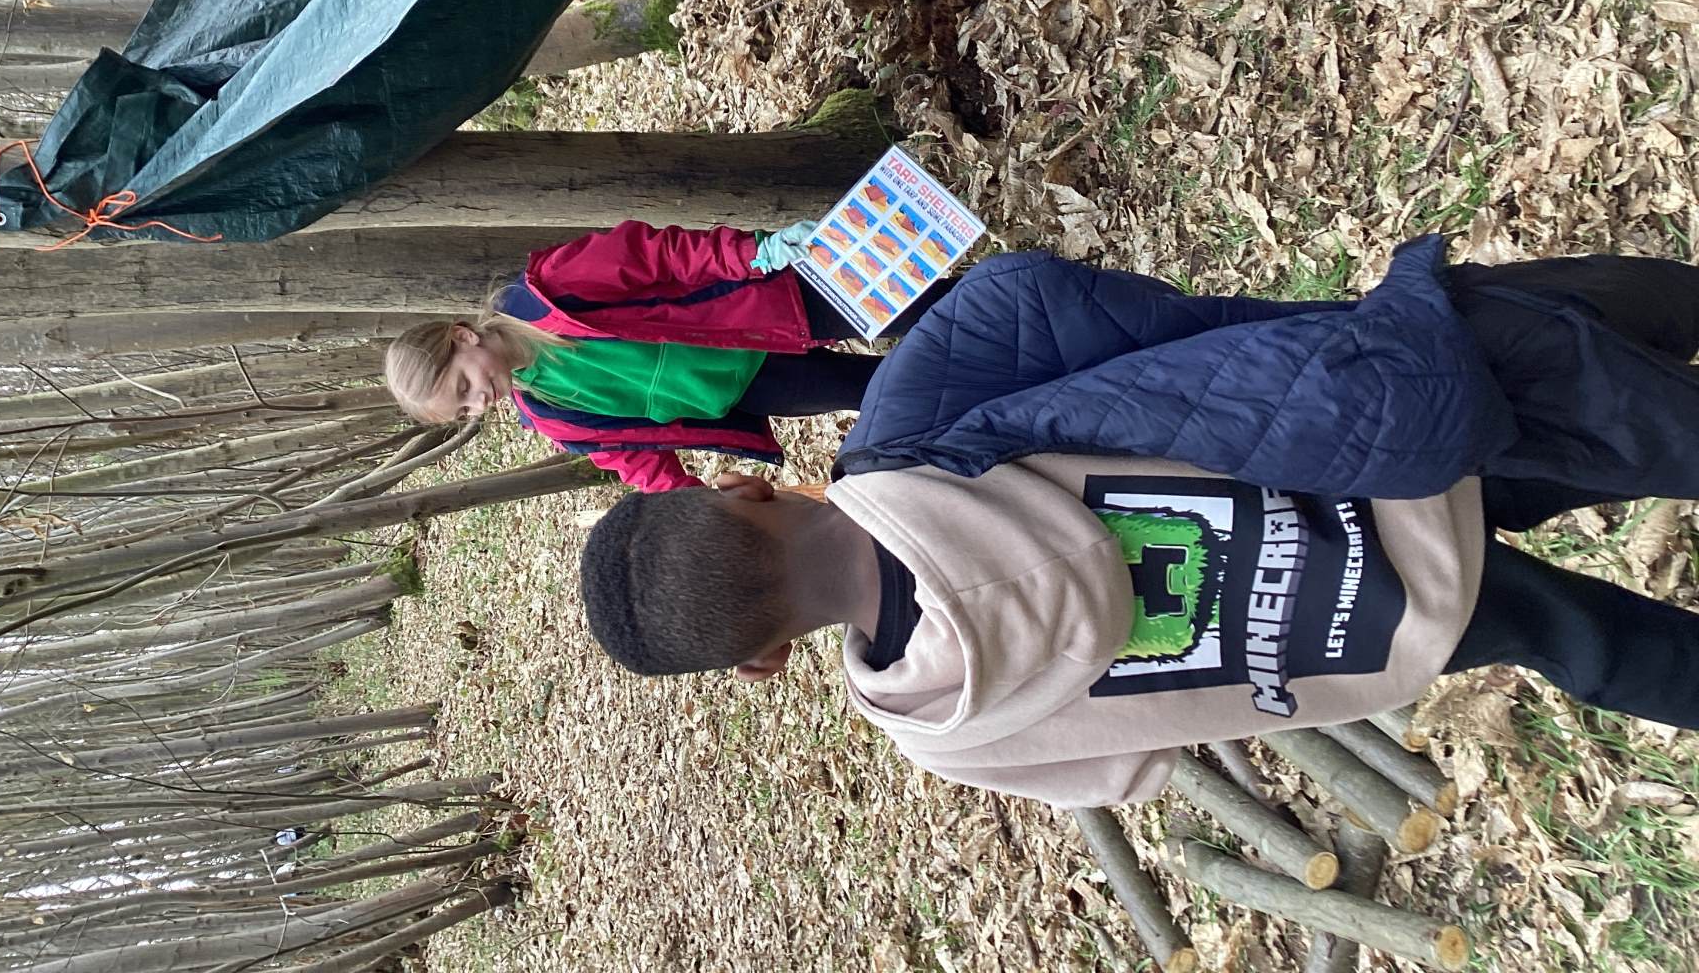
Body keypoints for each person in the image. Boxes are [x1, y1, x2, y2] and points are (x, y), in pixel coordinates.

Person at [578, 237, 1699, 806]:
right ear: (748, 489)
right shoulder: (910, 423)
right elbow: (1040, 299)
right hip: (1372, 445)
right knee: (1582, 391)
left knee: (1591, 647)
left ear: (764, 660)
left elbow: (1127, 768)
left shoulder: (939, 734)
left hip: (1387, 624)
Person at [384, 219, 955, 491]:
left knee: (924, 309)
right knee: (886, 391)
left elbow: (656, 256)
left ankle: (1006, 304)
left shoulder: (551, 289)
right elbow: (635, 459)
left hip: (753, 307)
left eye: (464, 387)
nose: (479, 403)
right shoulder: (551, 415)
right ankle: (990, 387)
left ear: (463, 336)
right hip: (754, 387)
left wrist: (749, 254)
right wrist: (692, 505)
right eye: (464, 411)